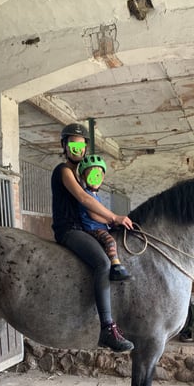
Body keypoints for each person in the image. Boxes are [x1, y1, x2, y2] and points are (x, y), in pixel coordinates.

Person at [51, 122, 134, 352]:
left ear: (85, 149)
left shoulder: (80, 176)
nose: (77, 150)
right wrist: (115, 217)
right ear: (65, 147)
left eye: (81, 147)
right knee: (102, 263)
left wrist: (109, 221)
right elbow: (85, 200)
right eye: (72, 146)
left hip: (84, 228)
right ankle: (107, 327)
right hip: (69, 229)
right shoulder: (64, 171)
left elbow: (92, 206)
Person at [76, 154, 132, 282]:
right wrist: (111, 220)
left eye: (98, 175)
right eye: (91, 175)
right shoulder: (86, 195)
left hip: (100, 227)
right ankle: (115, 267)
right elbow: (94, 215)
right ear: (84, 177)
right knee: (110, 241)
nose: (95, 178)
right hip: (92, 228)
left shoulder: (95, 196)